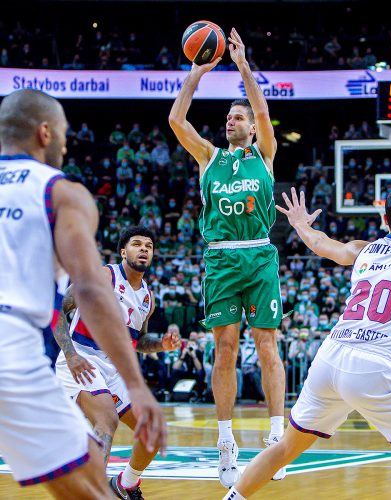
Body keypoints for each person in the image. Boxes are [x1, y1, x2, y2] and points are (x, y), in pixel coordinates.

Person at [224, 186, 391, 500]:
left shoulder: (363, 250)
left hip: (330, 356)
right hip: (371, 364)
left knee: (287, 446)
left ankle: (233, 496)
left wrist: (301, 224)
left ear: (385, 219)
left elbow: (321, 243)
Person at [0, 89, 165, 499]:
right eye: (63, 133)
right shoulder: (61, 193)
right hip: (13, 349)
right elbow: (91, 291)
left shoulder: (148, 296)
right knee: (88, 488)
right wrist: (137, 384)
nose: (67, 142)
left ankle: (127, 483)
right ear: (44, 133)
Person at [169, 28, 286, 488]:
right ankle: (225, 442)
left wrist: (242, 66)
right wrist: (195, 76)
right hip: (219, 259)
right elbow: (178, 122)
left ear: (252, 127)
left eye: (237, 117)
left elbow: (262, 107)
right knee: (225, 350)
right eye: (228, 116)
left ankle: (277, 439)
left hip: (258, 256)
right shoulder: (209, 159)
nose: (231, 121)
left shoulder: (266, 153)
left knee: (268, 347)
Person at [54, 226, 181, 499]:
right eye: (137, 244)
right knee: (106, 420)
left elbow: (140, 341)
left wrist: (162, 345)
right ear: (124, 251)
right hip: (82, 358)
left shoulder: (148, 297)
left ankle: (125, 484)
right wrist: (71, 356)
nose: (144, 249)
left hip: (114, 369)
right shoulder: (101, 276)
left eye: (148, 245)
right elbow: (57, 312)